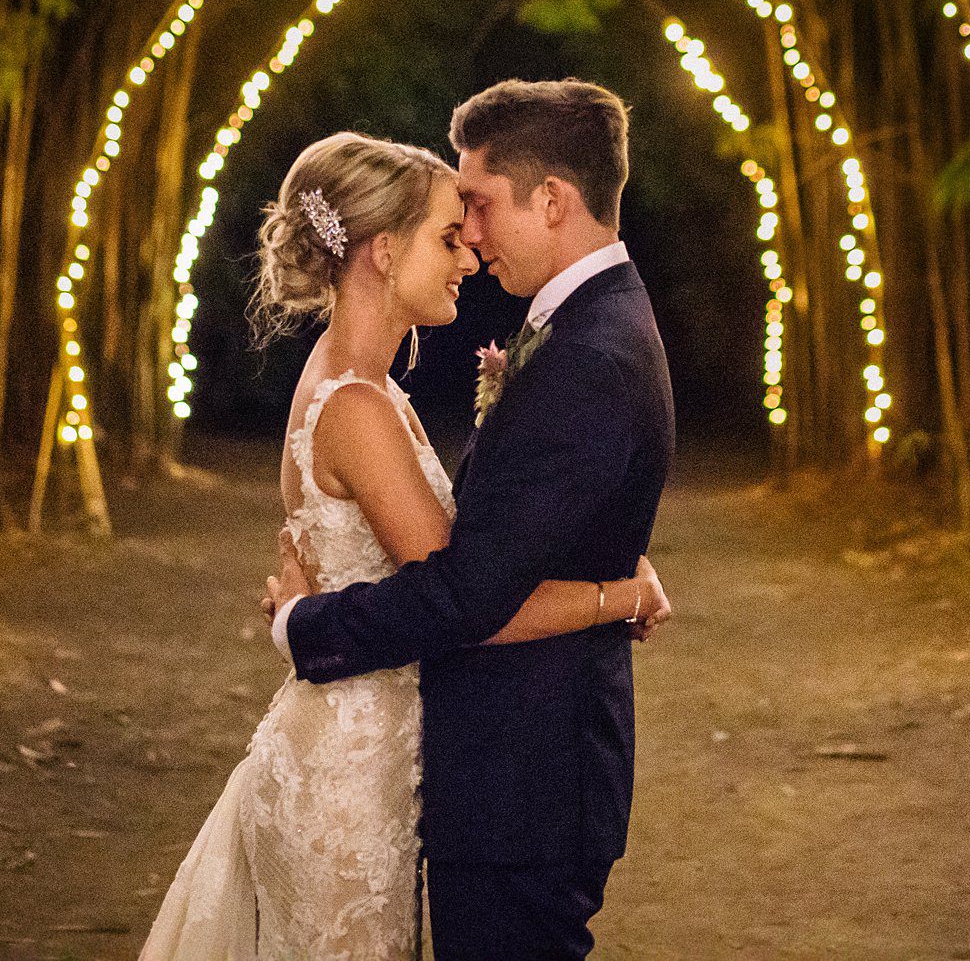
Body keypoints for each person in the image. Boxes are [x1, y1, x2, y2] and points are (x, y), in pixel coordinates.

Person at [140, 125, 670, 961]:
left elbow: (473, 569)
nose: (467, 257)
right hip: (349, 772)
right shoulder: (357, 408)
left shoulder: (374, 392)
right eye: (449, 237)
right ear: (383, 252)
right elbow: (470, 603)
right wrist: (623, 596)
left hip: (379, 753)